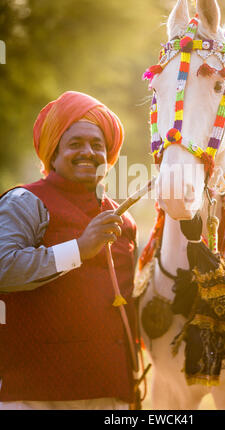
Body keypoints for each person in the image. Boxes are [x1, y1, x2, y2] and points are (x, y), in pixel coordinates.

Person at [0, 91, 138, 410]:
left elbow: (132, 301)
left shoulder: (124, 219)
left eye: (97, 145)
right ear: (53, 152)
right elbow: (3, 268)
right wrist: (79, 249)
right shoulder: (25, 202)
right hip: (33, 397)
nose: (87, 152)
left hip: (109, 394)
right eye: (75, 144)